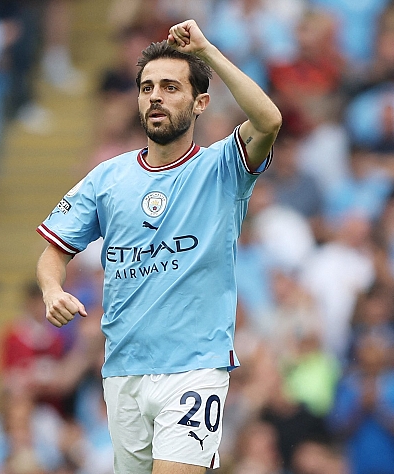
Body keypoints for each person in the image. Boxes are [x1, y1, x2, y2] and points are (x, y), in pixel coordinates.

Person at [35, 19, 282, 473]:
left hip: (195, 368)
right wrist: (52, 290)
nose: (155, 97)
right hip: (123, 370)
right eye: (147, 87)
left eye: (170, 87)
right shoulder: (108, 177)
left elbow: (269, 120)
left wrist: (206, 52)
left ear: (200, 102)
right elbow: (54, 251)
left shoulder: (222, 167)